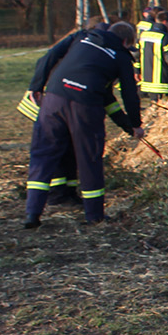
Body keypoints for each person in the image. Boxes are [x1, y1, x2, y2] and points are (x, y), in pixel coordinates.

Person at [24, 22, 143, 227]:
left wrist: (36, 86)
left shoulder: (81, 38)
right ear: (125, 42)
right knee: (89, 157)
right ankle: (94, 215)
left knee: (43, 155)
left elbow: (49, 56)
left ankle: (32, 214)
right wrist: (135, 123)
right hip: (85, 107)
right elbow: (129, 94)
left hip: (53, 99)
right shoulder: (121, 56)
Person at [136, 6, 168, 99]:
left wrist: (137, 71)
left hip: (147, 80)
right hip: (162, 82)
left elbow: (137, 55)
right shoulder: (165, 37)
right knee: (161, 107)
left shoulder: (144, 35)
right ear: (165, 21)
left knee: (154, 106)